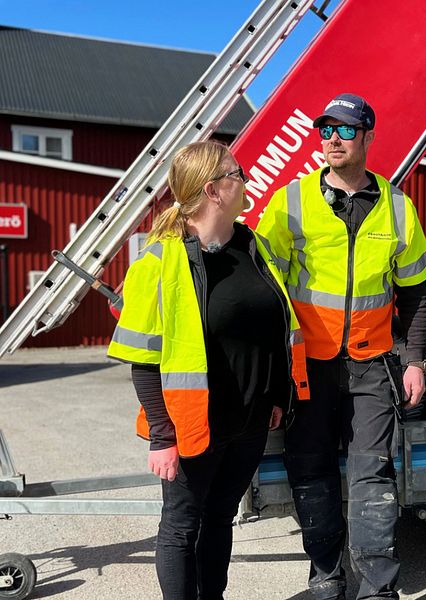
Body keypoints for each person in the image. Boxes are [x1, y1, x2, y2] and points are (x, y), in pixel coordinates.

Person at [107, 140, 309, 600]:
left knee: (220, 517)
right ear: (214, 189)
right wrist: (162, 435)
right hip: (193, 424)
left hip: (251, 421)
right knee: (181, 526)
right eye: (238, 173)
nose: (246, 180)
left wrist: (278, 394)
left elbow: (275, 327)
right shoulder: (158, 261)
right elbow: (143, 359)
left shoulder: (251, 244)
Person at [256, 93, 426, 600]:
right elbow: (262, 283)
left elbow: (416, 293)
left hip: (372, 366)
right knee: (310, 471)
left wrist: (415, 361)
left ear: (369, 137)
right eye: (325, 130)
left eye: (345, 130)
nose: (332, 139)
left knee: (371, 475)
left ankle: (378, 588)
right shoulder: (291, 202)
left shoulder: (398, 208)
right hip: (307, 368)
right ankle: (326, 576)